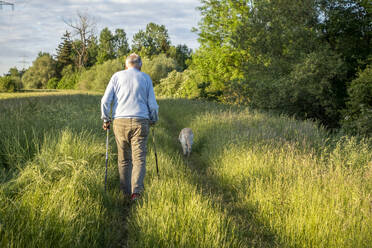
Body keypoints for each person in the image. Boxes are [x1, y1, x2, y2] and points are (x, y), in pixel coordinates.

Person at [101, 53, 159, 201]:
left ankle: (125, 193)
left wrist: (106, 119)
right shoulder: (145, 78)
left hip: (120, 121)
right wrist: (153, 119)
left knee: (124, 160)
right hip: (141, 121)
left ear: (126, 65)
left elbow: (105, 101)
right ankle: (136, 193)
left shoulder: (117, 76)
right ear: (140, 65)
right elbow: (153, 105)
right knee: (139, 159)